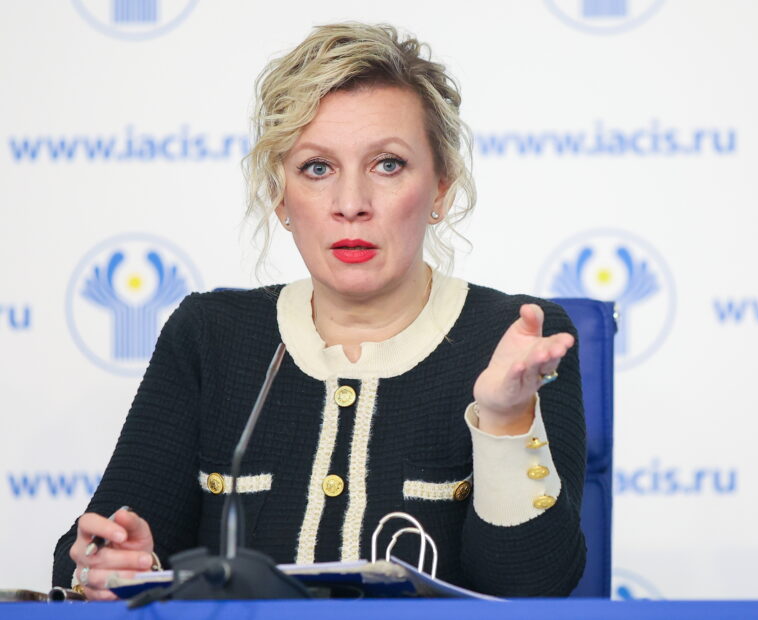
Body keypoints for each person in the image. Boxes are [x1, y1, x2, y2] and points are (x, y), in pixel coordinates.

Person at [52, 22, 586, 599]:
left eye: (388, 164)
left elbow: (536, 589)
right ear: (280, 196)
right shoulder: (210, 336)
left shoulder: (515, 340)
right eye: (317, 168)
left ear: (441, 188)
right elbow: (90, 557)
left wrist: (505, 420)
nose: (350, 204)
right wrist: (115, 565)